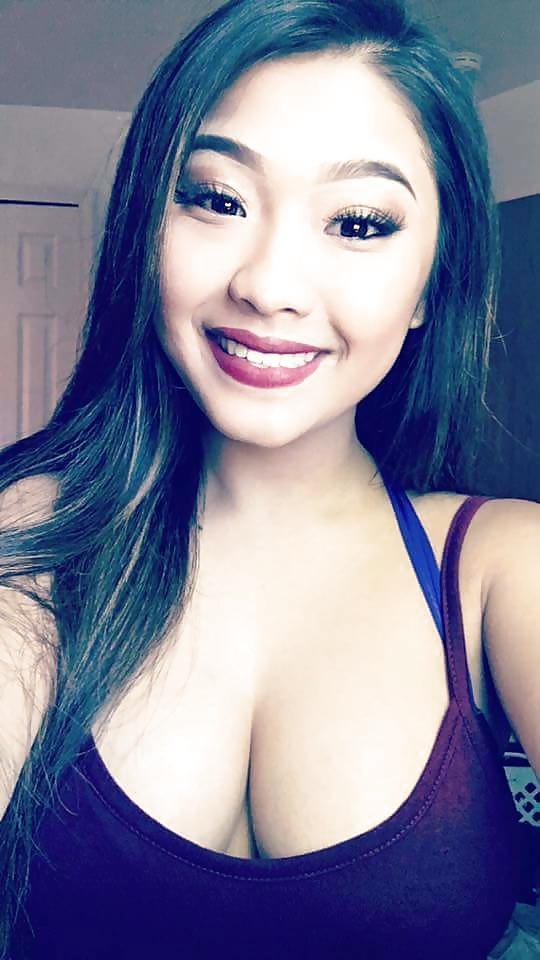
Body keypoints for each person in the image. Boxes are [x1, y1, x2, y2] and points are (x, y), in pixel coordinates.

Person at [0, 0, 538, 956]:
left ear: (431, 286)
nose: (269, 284)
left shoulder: (502, 565)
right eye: (217, 199)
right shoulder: (36, 533)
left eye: (359, 222)